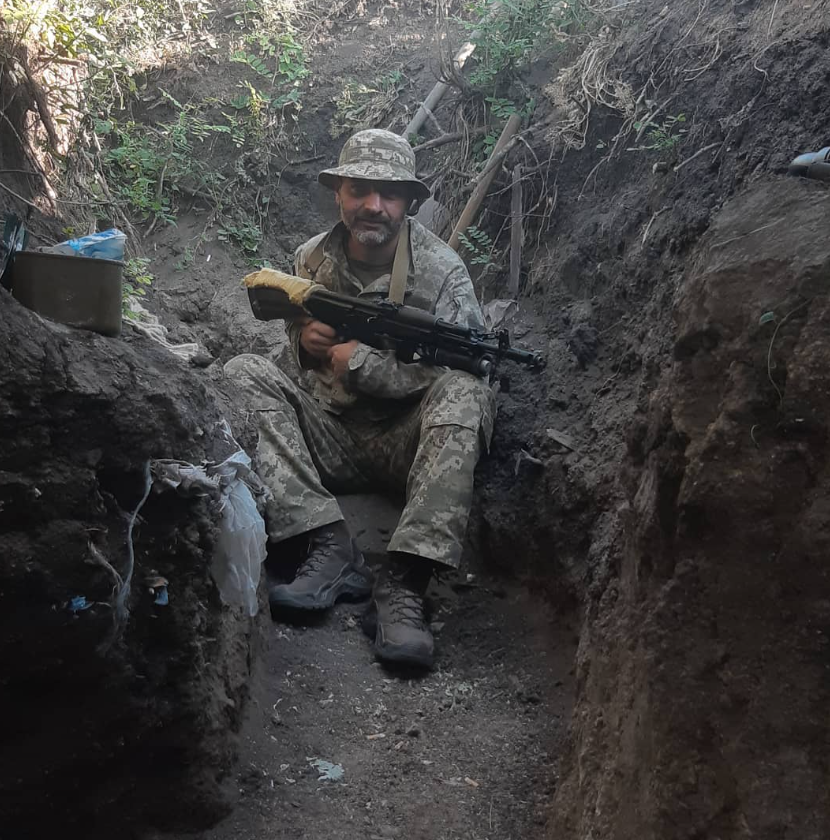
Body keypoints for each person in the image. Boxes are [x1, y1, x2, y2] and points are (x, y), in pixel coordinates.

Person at [225, 129, 495, 669]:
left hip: (405, 443)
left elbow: (464, 368)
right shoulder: (310, 258)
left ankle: (405, 584)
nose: (373, 205)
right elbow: (293, 322)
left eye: (389, 193)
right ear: (339, 194)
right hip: (327, 432)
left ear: (409, 201)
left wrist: (362, 363)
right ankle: (325, 544)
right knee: (242, 372)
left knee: (467, 395)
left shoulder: (442, 271)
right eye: (359, 190)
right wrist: (304, 341)